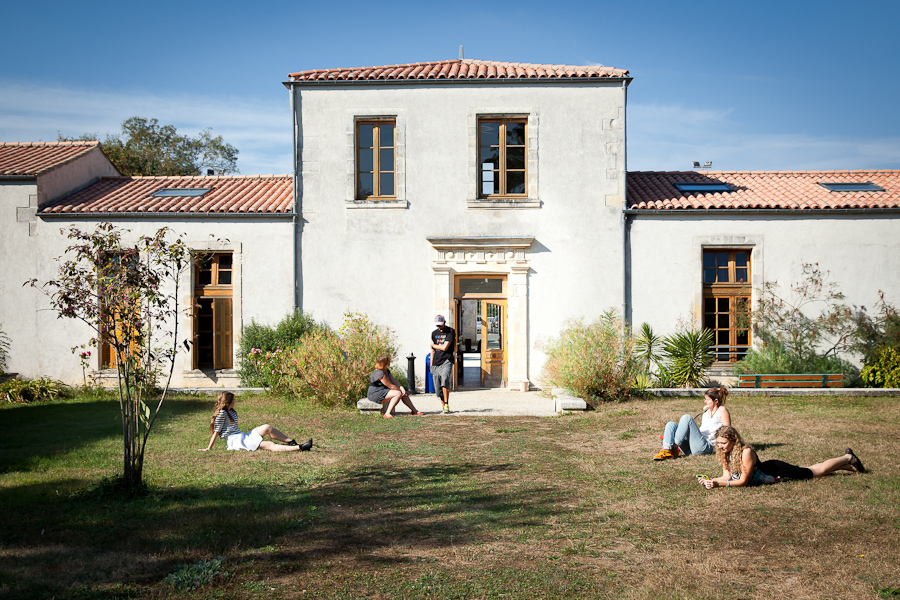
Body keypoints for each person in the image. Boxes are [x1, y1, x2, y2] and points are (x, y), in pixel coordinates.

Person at [699, 425, 866, 489]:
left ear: (734, 440)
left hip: (776, 471)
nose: (719, 446)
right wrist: (711, 480)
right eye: (718, 443)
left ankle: (847, 458)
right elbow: (727, 476)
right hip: (771, 472)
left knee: (814, 471)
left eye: (723, 443)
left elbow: (742, 482)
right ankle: (850, 467)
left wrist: (719, 484)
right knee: (810, 469)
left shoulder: (746, 452)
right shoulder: (725, 454)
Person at [199, 391, 312, 452]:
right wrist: (209, 448)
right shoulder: (221, 414)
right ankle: (300, 447)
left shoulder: (231, 411)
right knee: (269, 445)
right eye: (233, 400)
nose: (235, 401)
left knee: (267, 427)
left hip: (242, 436)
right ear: (228, 402)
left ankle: (291, 442)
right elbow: (216, 432)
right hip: (236, 441)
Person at [653, 386, 731, 460]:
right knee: (671, 424)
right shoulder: (706, 411)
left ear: (716, 401)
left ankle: (674, 446)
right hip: (693, 446)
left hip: (705, 447)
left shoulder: (721, 410)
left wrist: (724, 446)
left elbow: (728, 430)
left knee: (686, 418)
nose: (705, 401)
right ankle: (666, 449)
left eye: (707, 399)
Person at [430, 314, 456, 414]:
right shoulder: (433, 333)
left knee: (445, 378)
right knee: (438, 387)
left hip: (447, 361)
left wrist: (433, 345)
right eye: (437, 326)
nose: (439, 327)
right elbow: (432, 351)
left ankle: (446, 403)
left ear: (444, 322)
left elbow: (445, 347)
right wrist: (431, 365)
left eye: (440, 325)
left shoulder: (450, 331)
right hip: (436, 362)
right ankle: (444, 407)